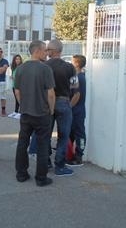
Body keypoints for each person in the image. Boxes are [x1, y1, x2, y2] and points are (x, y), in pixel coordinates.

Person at [14, 40, 55, 187]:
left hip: (25, 113)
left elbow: (17, 91)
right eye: (45, 50)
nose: (46, 53)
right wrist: (51, 110)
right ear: (37, 51)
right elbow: (51, 94)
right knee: (43, 146)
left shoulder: (20, 69)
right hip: (42, 113)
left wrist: (23, 104)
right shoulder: (45, 69)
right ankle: (41, 178)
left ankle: (21, 174)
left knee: (22, 143)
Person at [46, 39, 79, 176]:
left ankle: (46, 162)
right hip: (64, 102)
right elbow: (75, 89)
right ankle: (59, 166)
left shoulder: (44, 65)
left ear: (53, 51)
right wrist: (68, 105)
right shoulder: (70, 67)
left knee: (45, 135)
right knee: (63, 136)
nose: (46, 52)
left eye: (48, 49)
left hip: (47, 103)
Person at [68, 55, 87, 167]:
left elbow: (76, 95)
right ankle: (70, 153)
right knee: (72, 133)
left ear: (76, 64)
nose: (70, 63)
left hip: (76, 111)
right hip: (78, 110)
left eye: (72, 61)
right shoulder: (80, 76)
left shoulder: (78, 77)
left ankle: (78, 156)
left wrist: (69, 107)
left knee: (79, 134)